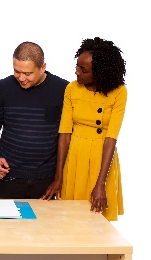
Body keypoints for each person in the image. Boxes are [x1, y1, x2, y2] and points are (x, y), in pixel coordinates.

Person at [42, 37, 127, 221]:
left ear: (100, 73)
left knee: (98, 221)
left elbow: (111, 138)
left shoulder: (119, 92)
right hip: (75, 157)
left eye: (83, 69)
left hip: (102, 161)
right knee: (69, 219)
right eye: (77, 66)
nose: (77, 72)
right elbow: (64, 134)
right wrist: (58, 177)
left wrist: (101, 183)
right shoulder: (72, 89)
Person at [0, 41, 69, 199]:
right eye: (16, 71)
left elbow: (65, 135)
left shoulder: (63, 89)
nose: (21, 78)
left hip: (47, 179)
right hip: (10, 177)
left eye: (28, 73)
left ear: (43, 67)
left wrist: (59, 177)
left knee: (45, 224)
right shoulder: (3, 87)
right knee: (7, 224)